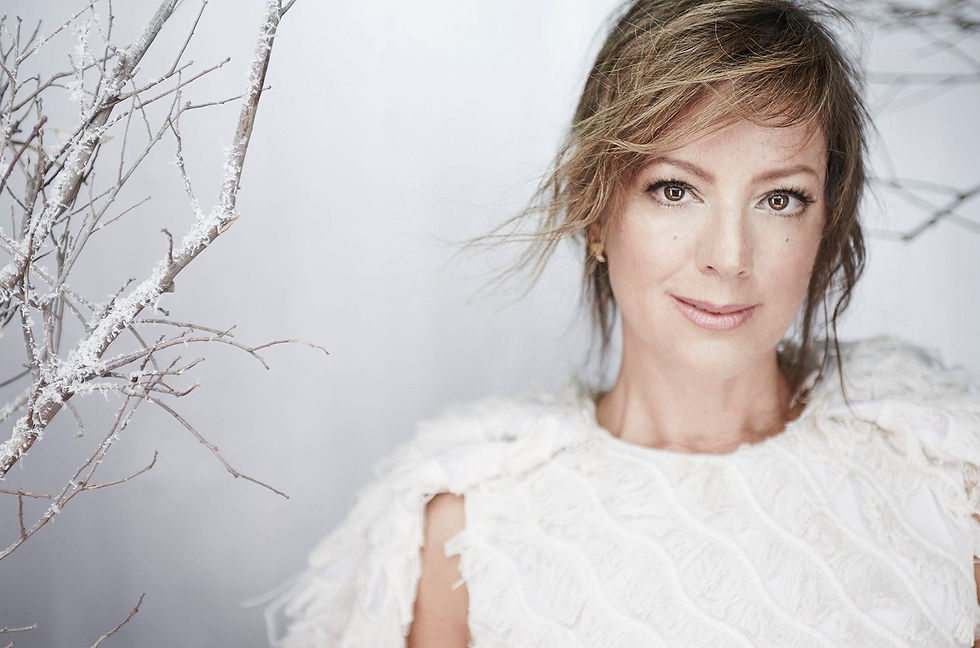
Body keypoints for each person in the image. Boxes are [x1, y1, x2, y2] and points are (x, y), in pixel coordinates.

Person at [269, 0, 980, 646]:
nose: (729, 257)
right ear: (596, 211)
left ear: (826, 226)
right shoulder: (466, 525)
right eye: (675, 190)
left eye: (780, 199)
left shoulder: (949, 478)